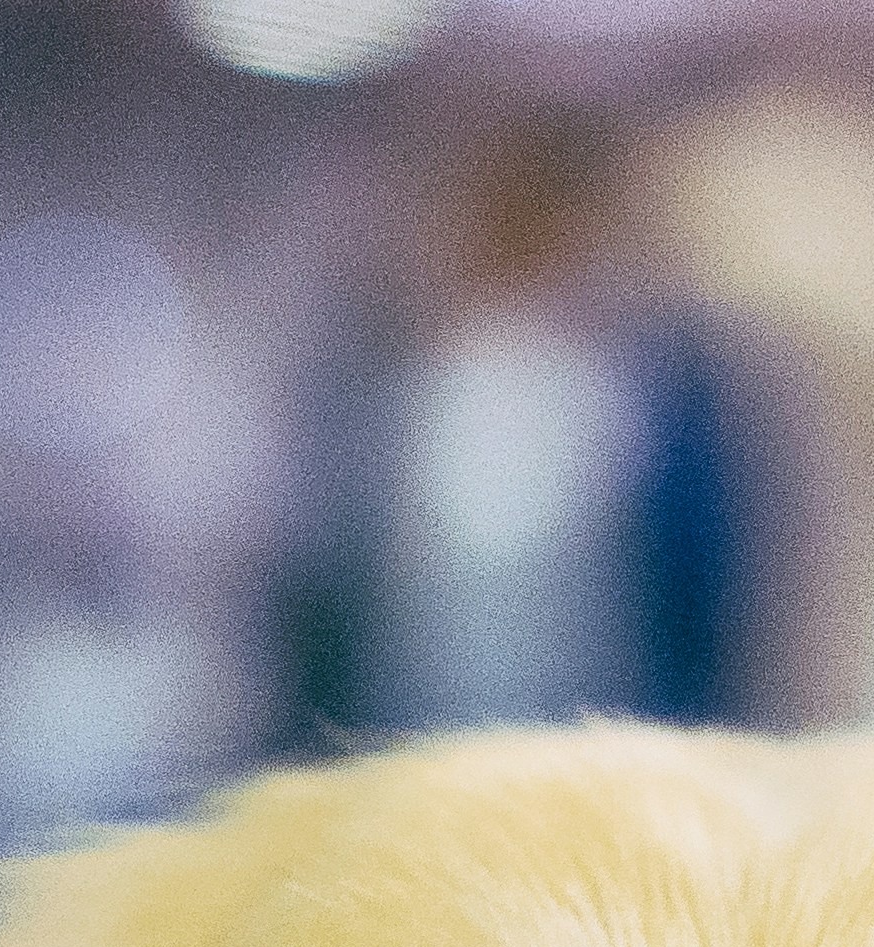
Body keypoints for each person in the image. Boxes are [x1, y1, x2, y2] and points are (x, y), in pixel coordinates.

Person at [271, 118, 758, 747]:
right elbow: (326, 589)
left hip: (597, 733)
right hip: (401, 725)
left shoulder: (657, 395)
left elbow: (698, 605)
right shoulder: (398, 385)